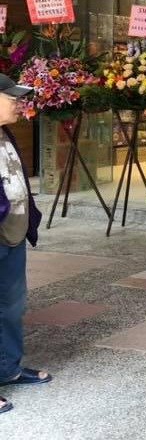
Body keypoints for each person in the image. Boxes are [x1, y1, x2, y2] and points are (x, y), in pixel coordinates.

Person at [0, 75, 48, 416]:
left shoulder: (6, 133)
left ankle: (8, 369)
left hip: (13, 236)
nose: (18, 103)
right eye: (11, 98)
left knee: (11, 306)